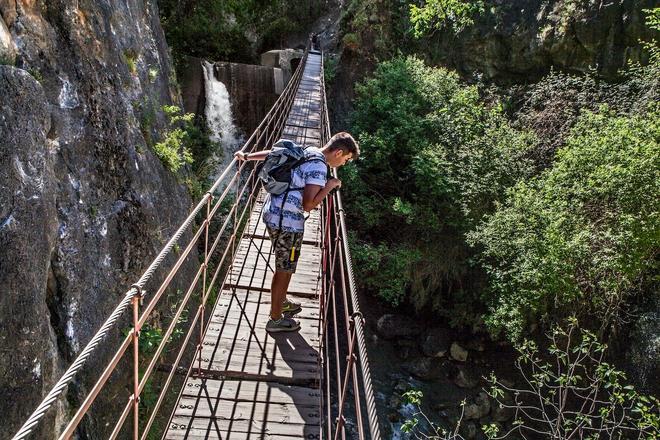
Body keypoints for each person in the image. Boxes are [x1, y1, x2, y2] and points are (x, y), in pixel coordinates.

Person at [234, 132, 359, 332]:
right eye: (346, 159)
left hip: (272, 212)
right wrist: (330, 185)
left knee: (283, 264)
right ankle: (275, 320)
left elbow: (274, 153)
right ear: (338, 152)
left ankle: (281, 302)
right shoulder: (319, 168)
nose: (344, 164)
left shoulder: (309, 150)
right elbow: (308, 204)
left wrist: (247, 156)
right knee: (284, 269)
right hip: (287, 223)